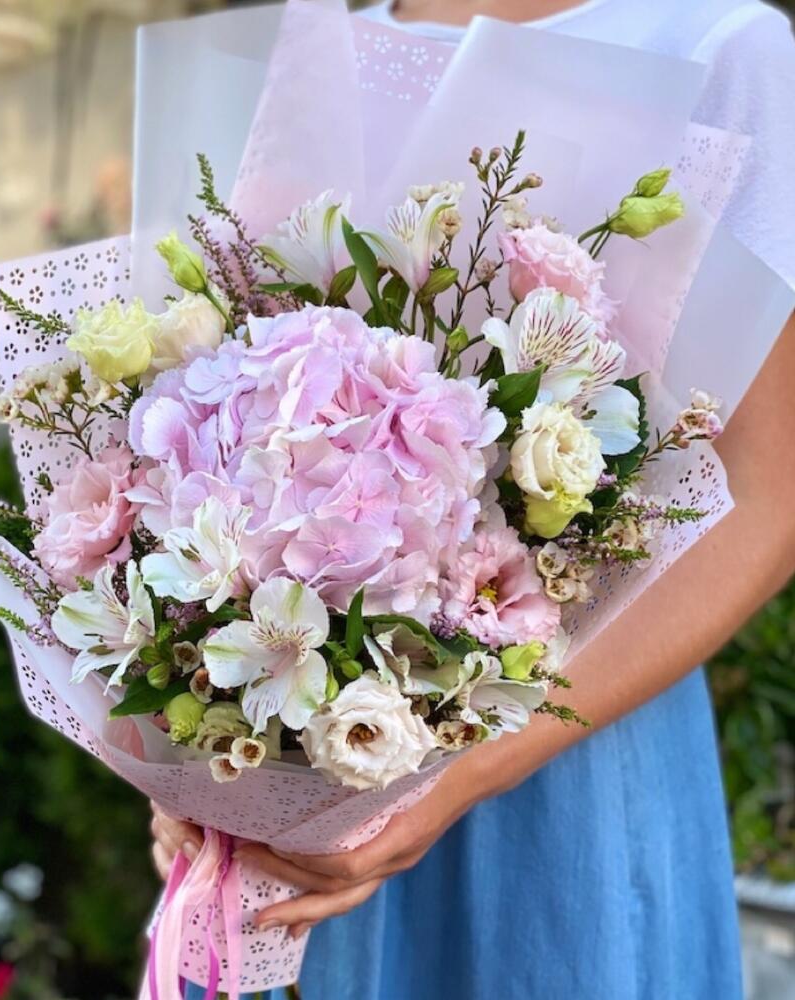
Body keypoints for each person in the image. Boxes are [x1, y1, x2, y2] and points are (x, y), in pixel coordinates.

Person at [154, 1, 795, 996]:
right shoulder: (320, 39)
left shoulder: (713, 42)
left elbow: (766, 499)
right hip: (294, 781)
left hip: (563, 772)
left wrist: (457, 773)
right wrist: (184, 748)